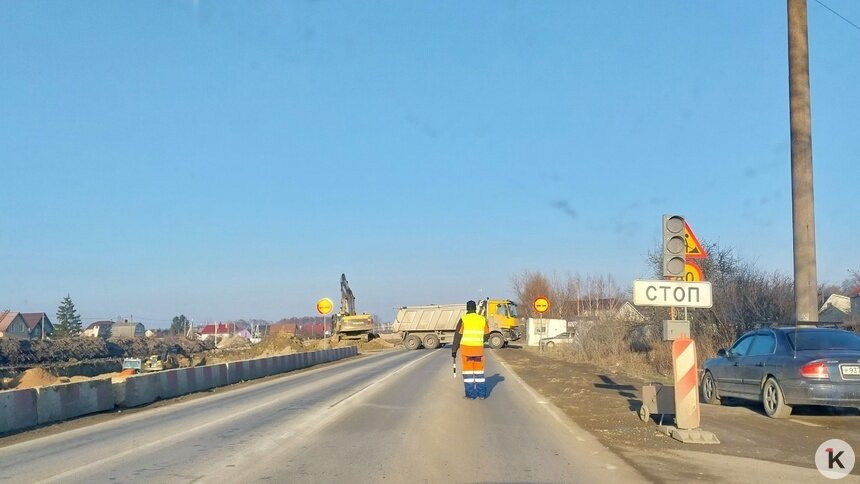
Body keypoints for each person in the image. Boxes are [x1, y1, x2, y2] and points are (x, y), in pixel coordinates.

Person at [451, 300, 490, 399]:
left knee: (468, 373)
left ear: (467, 308)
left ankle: (471, 395)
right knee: (479, 372)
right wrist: (480, 340)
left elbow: (458, 336)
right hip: (478, 350)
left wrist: (454, 350)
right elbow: (486, 335)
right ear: (475, 309)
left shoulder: (464, 319)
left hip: (466, 350)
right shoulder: (482, 319)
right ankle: (481, 394)